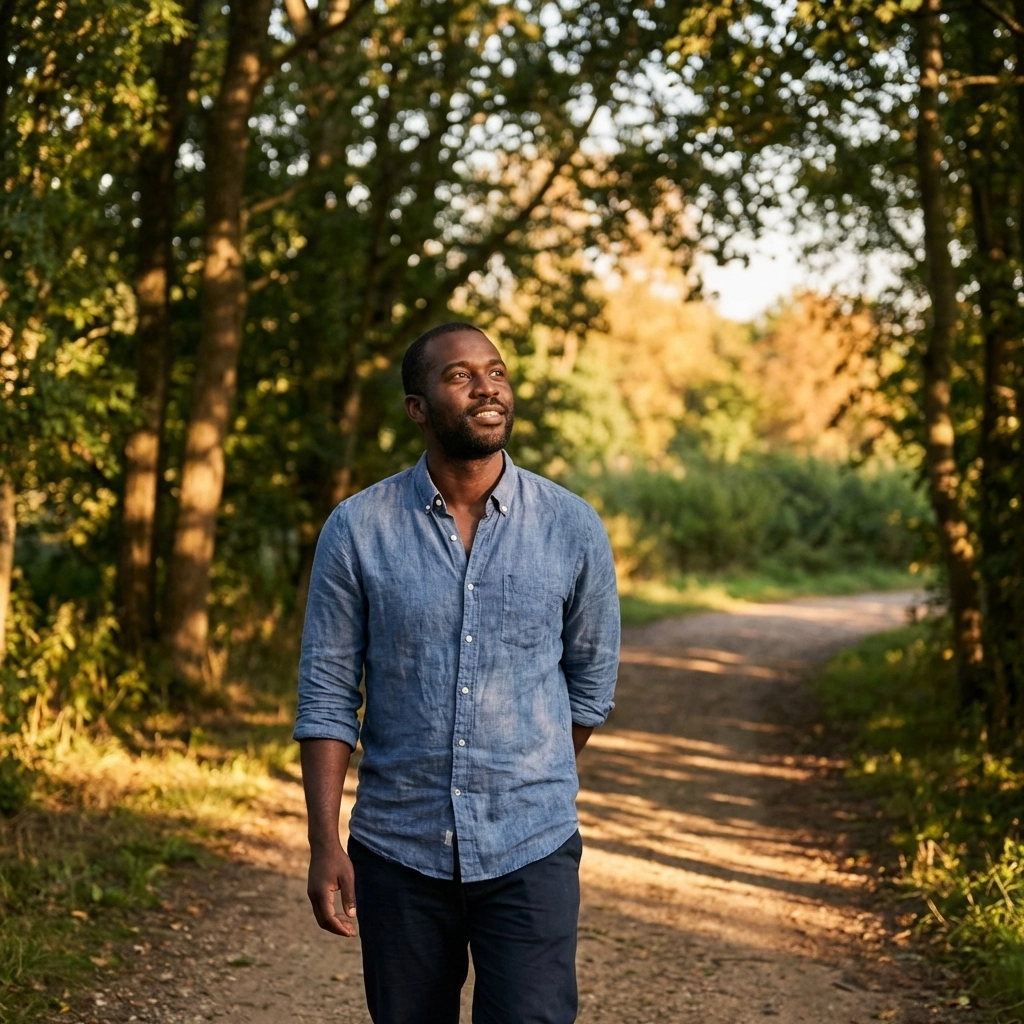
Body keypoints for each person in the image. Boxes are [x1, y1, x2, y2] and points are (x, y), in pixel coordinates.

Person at [294, 322, 620, 1024]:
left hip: (531, 846)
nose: (486, 387)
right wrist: (325, 843)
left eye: (496, 372)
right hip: (398, 850)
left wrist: (530, 771)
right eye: (460, 375)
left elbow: (592, 680)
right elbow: (325, 695)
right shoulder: (358, 529)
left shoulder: (572, 526)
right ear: (418, 407)